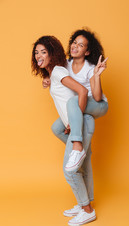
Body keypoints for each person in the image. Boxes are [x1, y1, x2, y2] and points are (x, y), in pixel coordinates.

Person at [43, 29, 108, 173]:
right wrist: (47, 79)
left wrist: (97, 75)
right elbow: (56, 75)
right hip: (81, 103)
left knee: (72, 102)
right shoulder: (66, 64)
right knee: (56, 128)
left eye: (81, 45)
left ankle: (78, 149)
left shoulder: (90, 68)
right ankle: (81, 150)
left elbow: (97, 97)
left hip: (99, 104)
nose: (75, 46)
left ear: (87, 52)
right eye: (74, 42)